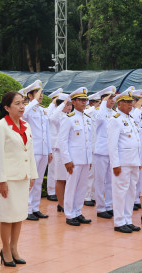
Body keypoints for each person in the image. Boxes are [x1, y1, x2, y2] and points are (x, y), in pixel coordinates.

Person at [0, 91, 38, 267]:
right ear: (6, 107)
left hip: (23, 176)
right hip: (9, 179)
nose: (21, 107)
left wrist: (32, 174)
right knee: (7, 216)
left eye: (23, 103)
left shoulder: (26, 125)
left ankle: (14, 248)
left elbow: (30, 151)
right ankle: (5, 250)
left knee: (19, 215)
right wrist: (1, 180)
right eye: (17, 104)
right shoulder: (1, 126)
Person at [107, 88, 141, 233]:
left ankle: (128, 219)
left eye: (131, 102)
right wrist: (115, 164)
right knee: (120, 192)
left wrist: (138, 162)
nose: (130, 105)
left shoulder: (130, 119)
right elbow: (112, 145)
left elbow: (136, 142)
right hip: (122, 163)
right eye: (126, 102)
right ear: (119, 104)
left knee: (131, 192)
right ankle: (119, 221)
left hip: (133, 162)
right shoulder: (115, 120)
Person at [58, 87, 93, 226]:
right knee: (71, 186)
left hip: (85, 159)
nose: (84, 102)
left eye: (85, 100)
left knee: (82, 187)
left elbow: (90, 140)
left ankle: (78, 211)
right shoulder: (68, 119)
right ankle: (69, 213)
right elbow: (63, 141)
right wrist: (67, 160)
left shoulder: (87, 119)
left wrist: (89, 159)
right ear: (73, 102)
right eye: (81, 100)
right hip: (74, 160)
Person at [22, 80, 52, 221]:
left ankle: (35, 208)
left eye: (42, 93)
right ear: (30, 95)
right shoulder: (27, 109)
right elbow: (23, 114)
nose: (41, 96)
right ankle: (27, 209)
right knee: (31, 181)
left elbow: (47, 132)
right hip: (32, 150)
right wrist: (32, 101)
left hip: (43, 150)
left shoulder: (43, 110)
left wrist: (49, 151)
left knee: (39, 181)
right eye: (38, 93)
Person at [93, 86, 116, 219]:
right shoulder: (98, 112)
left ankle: (108, 205)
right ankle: (101, 207)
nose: (112, 101)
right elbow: (100, 119)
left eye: (113, 98)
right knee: (100, 180)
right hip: (101, 151)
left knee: (110, 180)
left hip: (111, 151)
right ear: (102, 99)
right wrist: (102, 103)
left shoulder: (114, 113)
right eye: (109, 98)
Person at [49, 93, 72, 213]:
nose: (69, 107)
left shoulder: (71, 116)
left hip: (71, 151)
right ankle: (61, 204)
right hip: (60, 151)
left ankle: (68, 203)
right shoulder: (59, 116)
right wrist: (62, 103)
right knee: (61, 178)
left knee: (70, 180)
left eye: (70, 104)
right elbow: (52, 118)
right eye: (67, 104)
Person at [46, 88, 64, 202]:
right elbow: (49, 116)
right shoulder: (50, 110)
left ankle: (58, 192)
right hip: (52, 143)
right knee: (52, 169)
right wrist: (53, 103)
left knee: (60, 170)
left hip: (61, 144)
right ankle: (51, 191)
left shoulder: (62, 112)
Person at [84, 93, 101, 207]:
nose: (99, 105)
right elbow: (88, 112)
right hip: (89, 147)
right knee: (89, 174)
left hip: (96, 147)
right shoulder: (89, 112)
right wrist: (94, 108)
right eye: (97, 102)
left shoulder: (96, 113)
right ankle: (86, 196)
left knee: (95, 174)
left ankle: (92, 195)